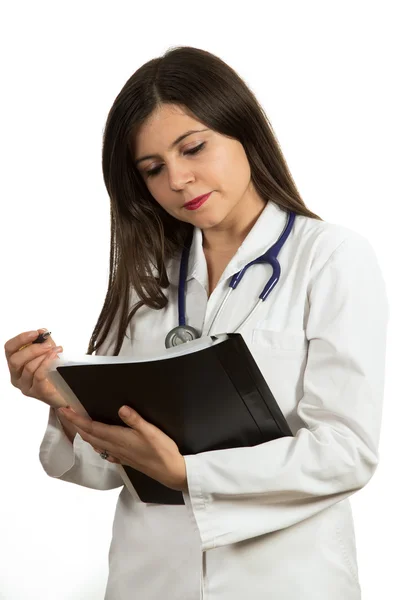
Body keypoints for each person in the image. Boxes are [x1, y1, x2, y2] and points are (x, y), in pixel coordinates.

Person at [5, 46, 388, 600]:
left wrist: (190, 474)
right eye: (153, 169)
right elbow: (105, 470)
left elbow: (346, 451)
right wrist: (62, 401)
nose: (179, 180)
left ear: (244, 132)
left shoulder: (330, 258)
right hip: (151, 578)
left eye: (194, 148)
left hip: (286, 580)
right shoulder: (146, 280)